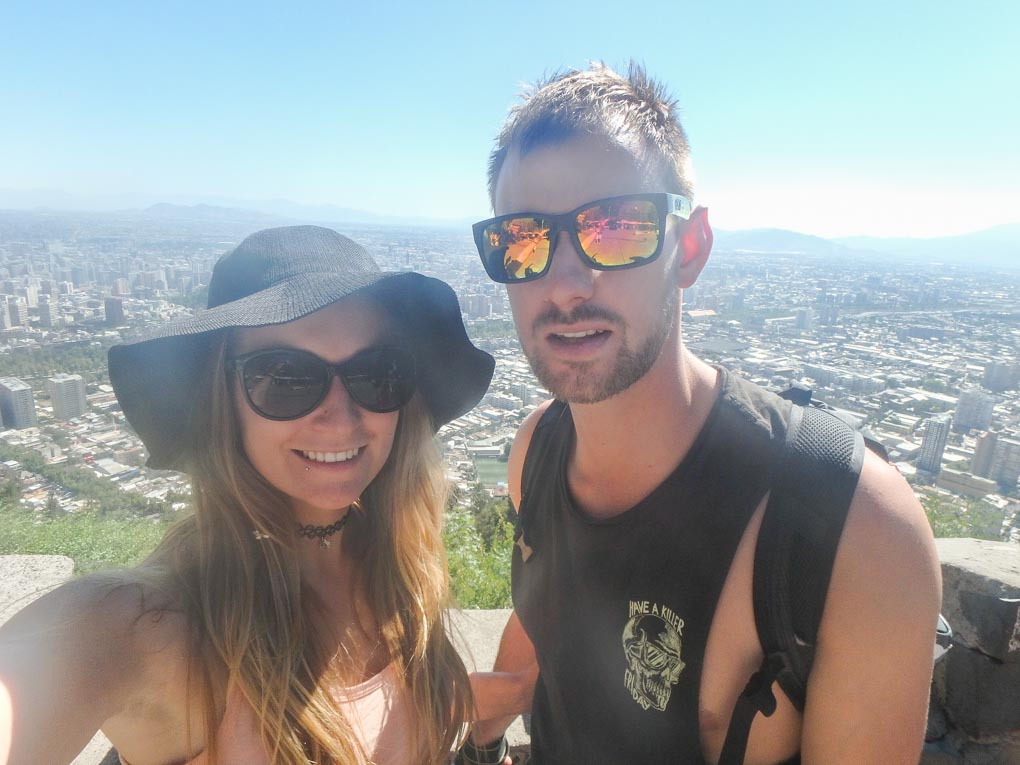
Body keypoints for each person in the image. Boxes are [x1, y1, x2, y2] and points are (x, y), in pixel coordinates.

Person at [466, 63, 942, 765]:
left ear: (690, 247)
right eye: (525, 241)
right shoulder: (535, 454)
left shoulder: (853, 530)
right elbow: (549, 623)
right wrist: (483, 725)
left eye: (617, 227)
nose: (564, 282)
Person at [0, 226, 494, 765]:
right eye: (285, 378)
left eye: (376, 374)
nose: (342, 418)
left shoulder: (402, 557)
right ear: (223, 399)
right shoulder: (147, 625)